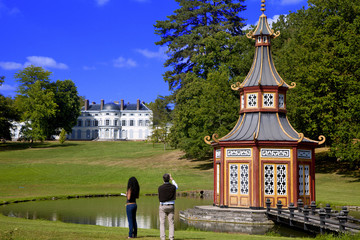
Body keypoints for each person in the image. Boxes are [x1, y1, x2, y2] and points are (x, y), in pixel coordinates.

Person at [158, 173, 178, 240]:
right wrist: (172, 180)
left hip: (163, 206)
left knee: (162, 223)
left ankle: (163, 238)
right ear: (169, 179)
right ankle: (171, 238)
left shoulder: (160, 188)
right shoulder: (173, 187)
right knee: (171, 223)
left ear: (163, 179)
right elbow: (176, 186)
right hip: (171, 206)